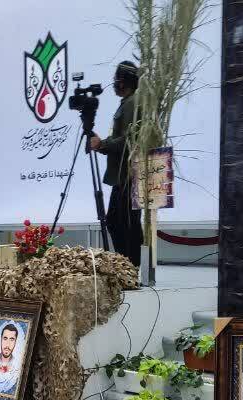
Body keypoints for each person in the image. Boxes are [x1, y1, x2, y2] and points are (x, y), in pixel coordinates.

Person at [89, 61, 145, 267]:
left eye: (115, 79)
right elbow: (122, 138)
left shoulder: (132, 103)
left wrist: (102, 144)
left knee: (123, 223)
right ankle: (128, 265)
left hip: (128, 176)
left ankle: (129, 266)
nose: (113, 83)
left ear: (122, 81)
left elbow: (130, 140)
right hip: (123, 176)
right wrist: (102, 145)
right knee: (119, 222)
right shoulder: (128, 102)